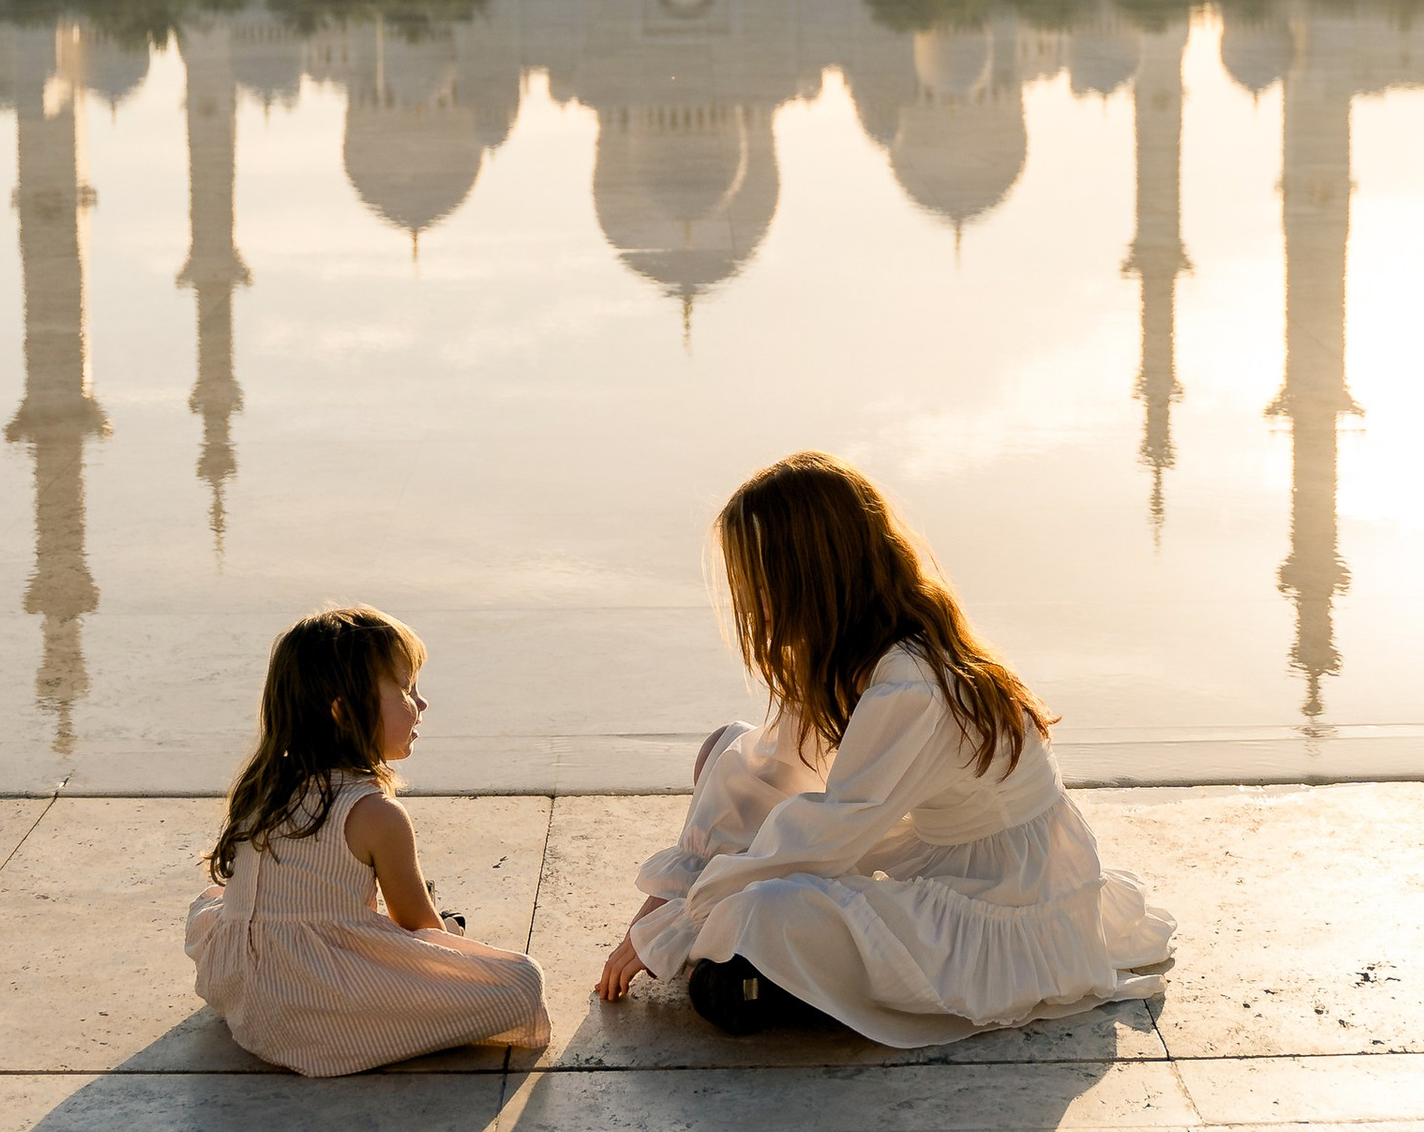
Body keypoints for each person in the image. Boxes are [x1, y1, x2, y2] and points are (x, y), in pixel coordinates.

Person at [596, 452, 1174, 1044]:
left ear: (802, 578)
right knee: (728, 752)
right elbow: (775, 774)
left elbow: (830, 834)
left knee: (762, 912)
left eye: (757, 580)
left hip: (997, 894)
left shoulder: (912, 682)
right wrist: (656, 917)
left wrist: (679, 923)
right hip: (931, 851)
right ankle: (756, 969)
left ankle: (759, 977)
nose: (752, 602)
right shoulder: (851, 647)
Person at [187, 605, 548, 1076]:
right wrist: (448, 939)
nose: (421, 705)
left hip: (242, 990)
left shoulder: (263, 792)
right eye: (405, 691)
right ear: (343, 711)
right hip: (319, 1003)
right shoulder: (375, 814)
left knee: (213, 903)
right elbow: (419, 928)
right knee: (522, 983)